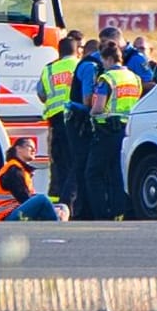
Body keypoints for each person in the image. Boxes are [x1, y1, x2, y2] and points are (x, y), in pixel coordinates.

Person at [87, 40, 142, 220]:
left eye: (103, 61)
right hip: (128, 131)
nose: (103, 65)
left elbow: (98, 107)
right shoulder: (134, 78)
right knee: (118, 173)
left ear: (109, 59)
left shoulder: (107, 79)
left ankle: (101, 214)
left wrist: (90, 113)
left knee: (93, 173)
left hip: (107, 131)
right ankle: (121, 211)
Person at [35, 36, 79, 208]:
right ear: (76, 50)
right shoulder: (79, 65)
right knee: (75, 161)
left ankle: (57, 203)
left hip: (55, 121)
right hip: (74, 119)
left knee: (59, 163)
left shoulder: (49, 69)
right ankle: (69, 203)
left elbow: (41, 94)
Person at [65, 37, 105, 219]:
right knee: (82, 167)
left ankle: (78, 207)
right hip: (79, 122)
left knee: (79, 166)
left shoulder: (88, 64)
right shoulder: (91, 66)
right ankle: (80, 210)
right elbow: (87, 99)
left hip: (74, 119)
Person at [0, 136, 61, 221]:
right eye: (30, 147)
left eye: (35, 149)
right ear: (18, 149)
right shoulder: (13, 169)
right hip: (6, 216)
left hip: (16, 211)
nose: (33, 151)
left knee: (63, 207)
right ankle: (57, 225)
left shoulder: (21, 170)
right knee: (42, 199)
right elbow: (24, 198)